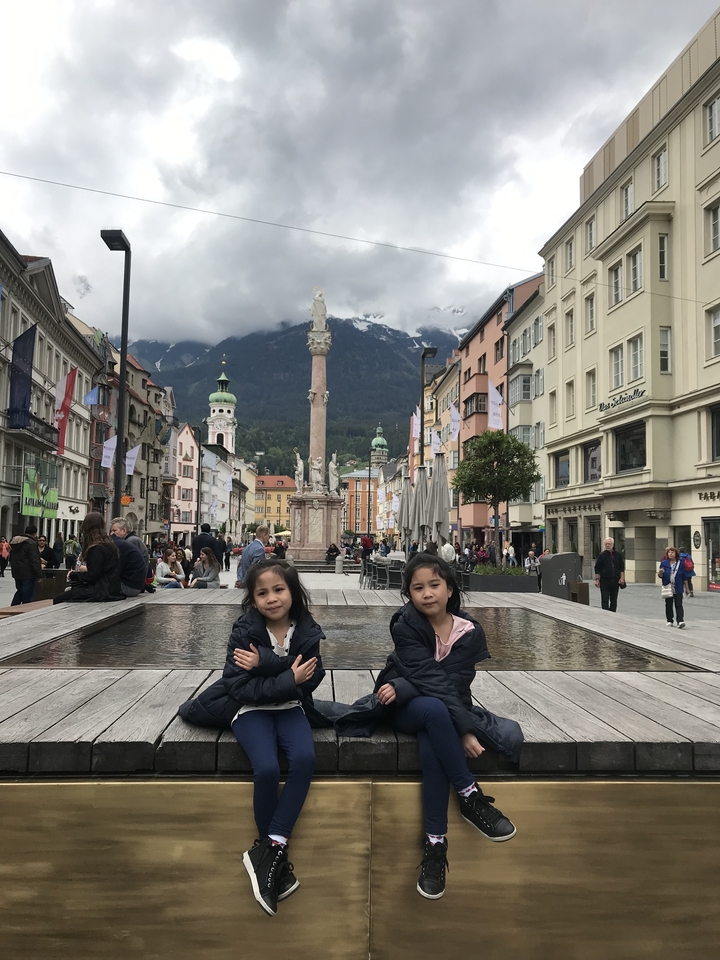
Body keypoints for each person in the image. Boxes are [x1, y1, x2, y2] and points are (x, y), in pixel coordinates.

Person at [369, 553, 520, 899]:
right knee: (434, 710)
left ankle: (435, 845)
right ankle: (470, 796)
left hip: (439, 711)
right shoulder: (405, 624)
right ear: (409, 593)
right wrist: (464, 729)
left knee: (433, 734)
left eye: (434, 585)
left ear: (450, 589)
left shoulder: (470, 633)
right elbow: (431, 678)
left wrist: (407, 685)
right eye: (417, 587)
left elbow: (450, 682)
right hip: (403, 709)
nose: (426, 593)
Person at [178, 558, 325, 915]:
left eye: (279, 590)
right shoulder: (244, 630)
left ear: (292, 592)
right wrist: (288, 677)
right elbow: (240, 687)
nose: (271, 599)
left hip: (290, 709)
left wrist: (267, 666)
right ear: (253, 598)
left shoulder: (306, 629)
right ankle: (276, 862)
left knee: (305, 760)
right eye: (262, 593)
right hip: (249, 711)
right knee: (267, 769)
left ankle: (271, 848)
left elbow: (314, 677)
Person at [54, 513, 118, 603]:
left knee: (58, 599)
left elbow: (92, 575)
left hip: (100, 590)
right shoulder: (109, 545)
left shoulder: (96, 548)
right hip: (111, 588)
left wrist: (73, 575)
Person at [9, 525, 42, 605]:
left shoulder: (14, 541)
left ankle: (13, 607)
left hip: (17, 571)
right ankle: (25, 611)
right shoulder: (31, 543)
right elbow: (34, 560)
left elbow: (11, 557)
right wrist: (39, 574)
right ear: (34, 534)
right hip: (28, 573)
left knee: (20, 591)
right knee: (27, 595)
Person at [658, 546, 690, 628]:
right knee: (668, 604)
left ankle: (680, 621)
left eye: (672, 552)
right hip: (668, 586)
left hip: (678, 586)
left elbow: (684, 576)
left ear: (676, 554)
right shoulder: (664, 563)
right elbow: (660, 575)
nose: (671, 554)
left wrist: (687, 588)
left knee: (678, 604)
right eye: (669, 552)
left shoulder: (681, 563)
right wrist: (660, 573)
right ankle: (669, 620)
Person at [110, 529, 147, 598]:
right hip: (136, 584)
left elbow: (116, 569)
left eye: (114, 530)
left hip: (130, 586)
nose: (112, 533)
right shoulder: (130, 541)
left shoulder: (127, 542)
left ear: (124, 531)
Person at [594, 537, 625, 612]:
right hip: (605, 580)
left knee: (614, 600)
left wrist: (622, 578)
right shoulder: (602, 555)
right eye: (606, 544)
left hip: (615, 580)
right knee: (605, 599)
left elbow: (622, 567)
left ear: (613, 544)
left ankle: (613, 613)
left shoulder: (618, 555)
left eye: (609, 544)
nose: (607, 545)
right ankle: (605, 614)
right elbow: (597, 568)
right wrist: (597, 580)